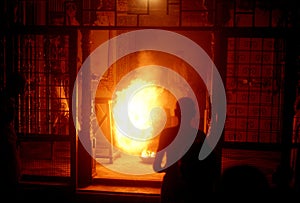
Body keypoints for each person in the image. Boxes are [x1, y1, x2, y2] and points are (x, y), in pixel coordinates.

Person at [153, 96, 218, 203]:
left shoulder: (167, 134)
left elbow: (157, 167)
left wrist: (172, 169)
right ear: (193, 114)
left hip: (172, 186)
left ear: (175, 112)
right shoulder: (199, 135)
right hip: (193, 188)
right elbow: (212, 163)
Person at [0, 72, 26, 198]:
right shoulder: (6, 101)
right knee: (11, 170)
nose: (22, 92)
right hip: (5, 140)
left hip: (8, 138)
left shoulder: (7, 99)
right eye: (21, 87)